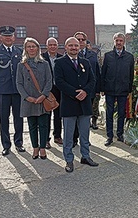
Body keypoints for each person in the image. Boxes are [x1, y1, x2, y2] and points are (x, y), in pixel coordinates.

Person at [54, 37, 98, 172]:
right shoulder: (59, 62)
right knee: (68, 135)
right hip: (69, 103)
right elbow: (59, 82)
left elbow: (92, 79)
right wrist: (75, 93)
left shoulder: (85, 62)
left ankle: (85, 156)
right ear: (66, 47)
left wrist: (85, 91)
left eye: (76, 46)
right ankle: (68, 160)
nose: (74, 48)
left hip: (84, 103)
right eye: (71, 45)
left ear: (79, 47)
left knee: (85, 134)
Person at [0, 26, 25, 156]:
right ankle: (6, 145)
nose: (8, 38)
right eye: (5, 36)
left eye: (10, 36)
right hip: (2, 91)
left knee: (19, 119)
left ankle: (19, 143)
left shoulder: (20, 51)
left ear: (14, 37)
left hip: (18, 91)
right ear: (1, 37)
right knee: (4, 119)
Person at [16, 38, 52, 160]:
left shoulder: (45, 64)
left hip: (42, 99)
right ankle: (35, 147)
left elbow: (49, 81)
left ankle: (42, 148)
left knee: (43, 125)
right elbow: (19, 83)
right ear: (25, 49)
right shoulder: (21, 65)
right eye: (29, 47)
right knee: (32, 125)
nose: (31, 49)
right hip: (29, 100)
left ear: (38, 48)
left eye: (33, 46)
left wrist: (44, 95)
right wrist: (27, 97)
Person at [101, 32, 135, 146]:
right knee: (109, 113)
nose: (119, 43)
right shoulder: (108, 56)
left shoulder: (129, 57)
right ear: (114, 41)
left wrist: (129, 90)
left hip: (123, 90)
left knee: (122, 113)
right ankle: (109, 136)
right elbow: (103, 73)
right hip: (110, 89)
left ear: (124, 42)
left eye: (121, 40)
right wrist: (102, 88)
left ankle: (120, 134)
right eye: (117, 40)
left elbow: (131, 75)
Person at [74, 31, 101, 130]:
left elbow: (97, 72)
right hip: (77, 90)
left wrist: (98, 89)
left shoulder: (93, 55)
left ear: (86, 41)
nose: (81, 41)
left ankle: (93, 122)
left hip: (91, 89)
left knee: (92, 109)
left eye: (83, 39)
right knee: (79, 114)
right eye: (78, 39)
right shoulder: (70, 54)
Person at [42, 37, 63, 148]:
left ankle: (57, 136)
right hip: (47, 90)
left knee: (58, 115)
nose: (52, 47)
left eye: (54, 45)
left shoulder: (61, 58)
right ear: (47, 46)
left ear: (57, 46)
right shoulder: (41, 58)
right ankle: (46, 139)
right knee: (46, 115)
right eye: (50, 45)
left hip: (59, 90)